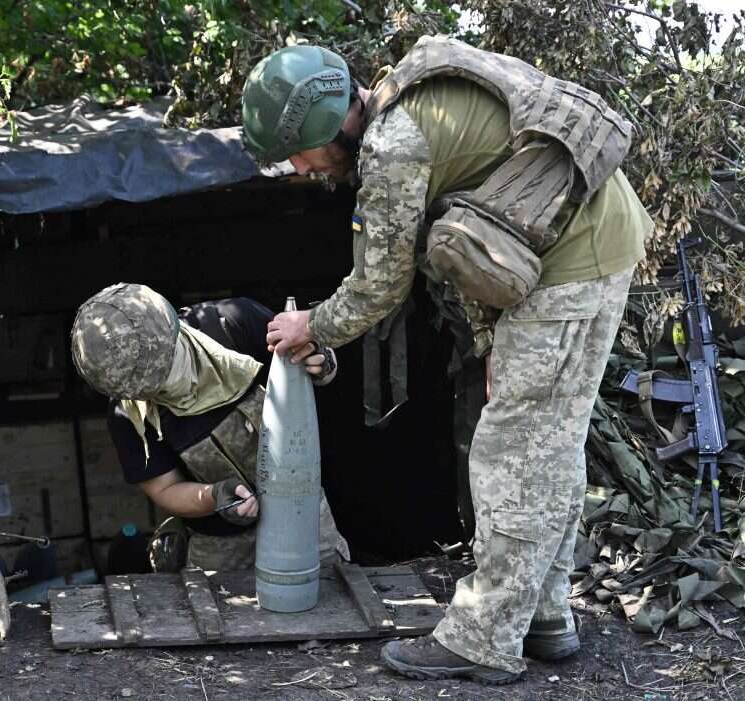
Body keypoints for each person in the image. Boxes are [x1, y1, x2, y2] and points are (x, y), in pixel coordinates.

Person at [241, 37, 652, 684]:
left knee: (513, 451)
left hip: (570, 263)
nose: (299, 169)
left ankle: (483, 636)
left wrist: (311, 324)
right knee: (551, 442)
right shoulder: (404, 98)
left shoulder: (393, 146)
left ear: (324, 127)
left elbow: (379, 285)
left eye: (296, 154)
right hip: (596, 239)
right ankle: (542, 613)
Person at [70, 283, 350, 573]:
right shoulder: (128, 414)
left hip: (303, 514)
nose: (166, 388)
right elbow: (165, 489)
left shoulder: (234, 322)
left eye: (167, 372)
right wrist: (215, 496)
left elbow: (308, 357)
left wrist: (322, 360)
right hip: (220, 546)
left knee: (326, 592)